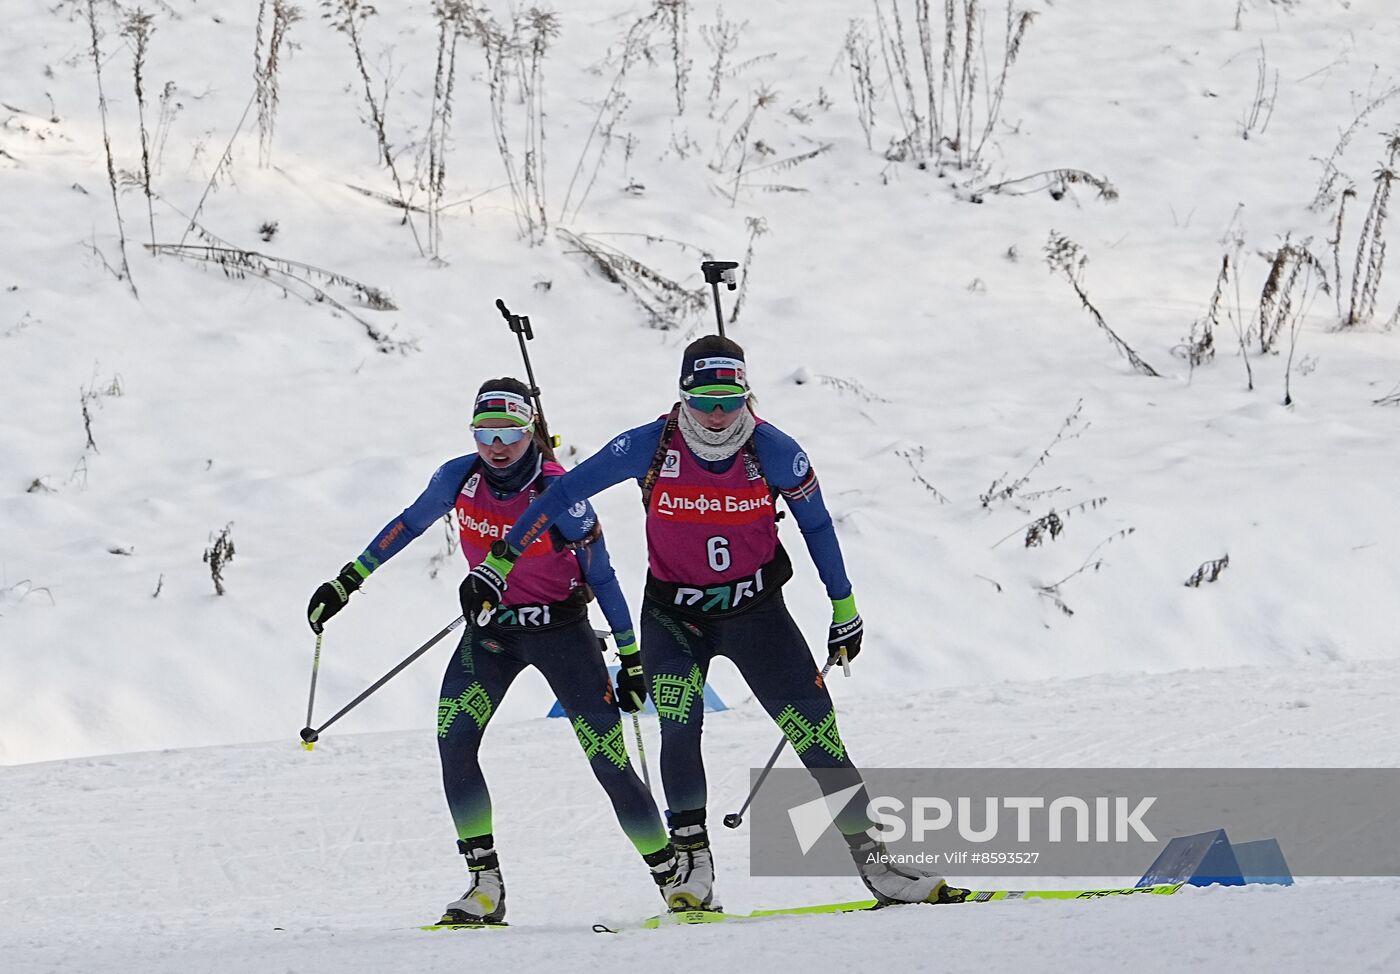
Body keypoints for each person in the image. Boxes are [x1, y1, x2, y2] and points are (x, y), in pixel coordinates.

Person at [460, 338, 968, 912]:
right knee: (679, 730)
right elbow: (565, 491)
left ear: (746, 394)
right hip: (675, 620)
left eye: (729, 398)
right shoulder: (649, 445)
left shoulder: (775, 450)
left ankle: (880, 867)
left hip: (757, 615)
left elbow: (818, 527)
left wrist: (843, 606)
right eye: (704, 399)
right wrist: (502, 560)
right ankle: (693, 867)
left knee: (817, 735)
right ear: (682, 396)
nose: (718, 413)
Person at [306, 378, 691, 925]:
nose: (498, 445)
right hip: (491, 633)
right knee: (454, 741)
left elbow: (603, 577)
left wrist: (630, 658)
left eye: (510, 431)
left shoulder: (560, 491)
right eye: (485, 432)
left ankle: (672, 879)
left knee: (608, 760)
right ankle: (484, 884)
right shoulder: (459, 477)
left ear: (530, 430)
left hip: (562, 633)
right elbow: (409, 524)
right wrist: (348, 580)